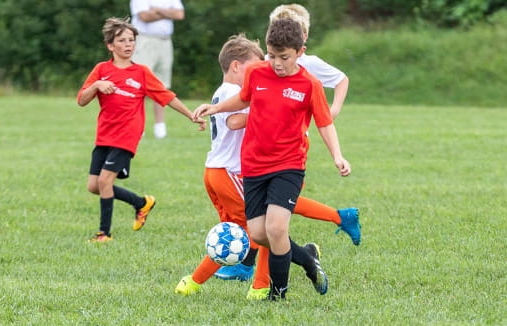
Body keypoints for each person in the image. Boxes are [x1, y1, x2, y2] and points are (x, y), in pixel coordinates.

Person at [192, 19, 352, 300]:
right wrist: (215, 107)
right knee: (259, 233)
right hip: (253, 165)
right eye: (271, 55)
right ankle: (307, 260)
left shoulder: (309, 84)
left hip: (288, 164)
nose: (276, 63)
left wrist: (337, 156)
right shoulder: (257, 72)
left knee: (276, 227)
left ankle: (277, 294)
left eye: (284, 57)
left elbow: (324, 123)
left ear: (300, 52)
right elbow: (243, 99)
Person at [77, 17, 205, 242]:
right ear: (110, 45)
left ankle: (104, 234)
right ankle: (141, 203)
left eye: (131, 40)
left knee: (105, 182)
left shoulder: (142, 73)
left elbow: (167, 97)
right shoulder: (101, 70)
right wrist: (97, 85)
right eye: (122, 40)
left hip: (127, 135)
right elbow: (81, 100)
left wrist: (190, 115)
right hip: (104, 134)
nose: (128, 44)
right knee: (94, 186)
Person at [130, 0, 185, 138]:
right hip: (144, 40)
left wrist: (157, 10)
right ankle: (137, 125)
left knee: (161, 86)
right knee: (138, 84)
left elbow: (179, 14)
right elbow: (144, 17)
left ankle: (160, 127)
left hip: (165, 41)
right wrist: (168, 13)